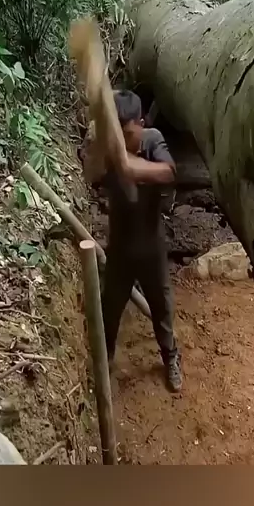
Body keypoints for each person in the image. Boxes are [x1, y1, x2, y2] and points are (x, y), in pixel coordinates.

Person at [84, 90, 182, 393]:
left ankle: (170, 357)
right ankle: (105, 362)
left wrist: (129, 166)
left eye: (127, 133)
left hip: (152, 245)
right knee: (111, 308)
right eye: (118, 133)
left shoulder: (152, 140)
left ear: (141, 123)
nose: (123, 140)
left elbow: (169, 172)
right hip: (120, 248)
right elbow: (90, 176)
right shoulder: (109, 147)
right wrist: (102, 151)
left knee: (161, 305)